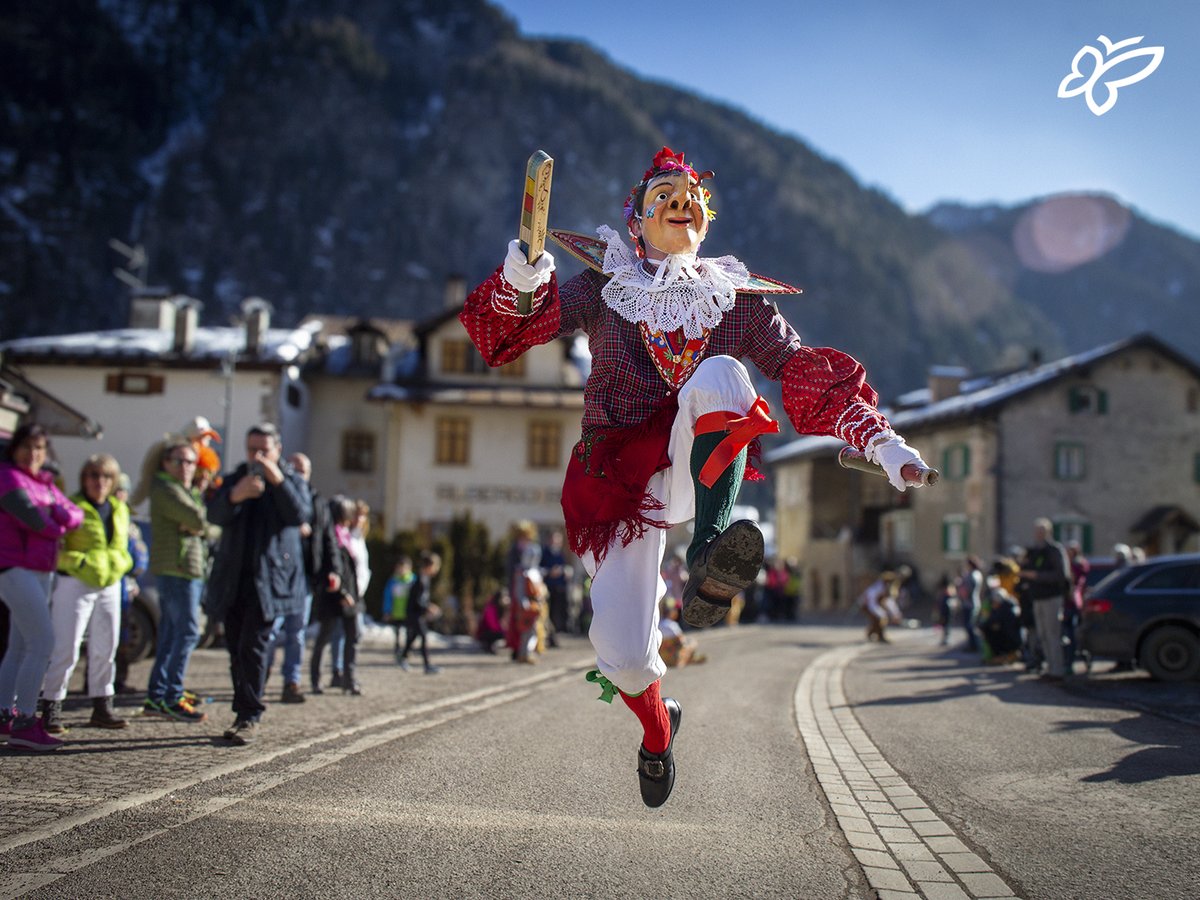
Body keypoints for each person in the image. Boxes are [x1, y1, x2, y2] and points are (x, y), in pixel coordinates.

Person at [461, 146, 931, 807]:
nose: (681, 200)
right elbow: (510, 333)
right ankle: (658, 731)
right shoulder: (603, 285)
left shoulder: (734, 299)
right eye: (663, 195)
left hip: (692, 456)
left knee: (722, 376)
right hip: (620, 479)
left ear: (705, 219)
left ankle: (712, 546)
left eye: (691, 196)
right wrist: (525, 276)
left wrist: (881, 443)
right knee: (624, 657)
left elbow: (799, 372)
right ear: (635, 222)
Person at [206, 423, 311, 745]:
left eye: (265, 450)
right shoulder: (237, 477)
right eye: (253, 449)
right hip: (234, 578)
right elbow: (214, 514)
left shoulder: (290, 480)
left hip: (271, 582)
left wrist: (277, 482)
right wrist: (236, 496)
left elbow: (300, 514)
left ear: (278, 450)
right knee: (236, 648)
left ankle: (249, 715)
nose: (258, 456)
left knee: (255, 645)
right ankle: (244, 710)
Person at [0, 424, 83, 751]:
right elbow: (35, 520)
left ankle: (6, 714)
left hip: (40, 569)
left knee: (19, 646)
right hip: (13, 566)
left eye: (39, 448)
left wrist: (59, 518)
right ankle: (25, 721)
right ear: (15, 448)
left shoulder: (45, 483)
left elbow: (76, 515)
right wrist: (58, 523)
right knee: (43, 641)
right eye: (27, 446)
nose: (32, 454)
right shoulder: (7, 477)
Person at [42, 454, 133, 732]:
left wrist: (122, 564)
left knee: (106, 647)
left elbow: (122, 545)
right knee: (66, 647)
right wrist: (79, 562)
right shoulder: (71, 506)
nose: (99, 482)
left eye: (106, 476)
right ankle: (51, 706)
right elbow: (56, 549)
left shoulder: (118, 508)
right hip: (76, 582)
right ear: (84, 479)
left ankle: (103, 705)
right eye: (93, 475)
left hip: (109, 583)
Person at [140, 436, 211, 723]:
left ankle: (158, 695)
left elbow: (199, 524)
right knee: (187, 632)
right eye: (179, 461)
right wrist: (199, 525)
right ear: (166, 462)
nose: (185, 467)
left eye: (190, 462)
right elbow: (199, 521)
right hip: (177, 569)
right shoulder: (166, 488)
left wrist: (199, 522)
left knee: (171, 634)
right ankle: (171, 695)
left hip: (186, 569)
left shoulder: (183, 489)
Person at [268, 452, 322, 704]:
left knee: (296, 633)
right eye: (293, 467)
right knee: (270, 631)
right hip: (278, 577)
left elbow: (324, 540)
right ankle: (261, 673)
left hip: (303, 580)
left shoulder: (314, 501)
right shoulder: (278, 496)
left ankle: (292, 681)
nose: (297, 472)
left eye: (302, 469)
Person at [310, 496, 364, 696]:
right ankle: (316, 679)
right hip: (333, 596)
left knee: (353, 637)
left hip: (351, 594)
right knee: (324, 638)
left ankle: (349, 678)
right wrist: (342, 593)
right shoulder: (329, 536)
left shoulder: (347, 536)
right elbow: (330, 568)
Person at [1019, 518, 1072, 681]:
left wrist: (1036, 576)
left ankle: (1058, 670)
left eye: (1041, 531)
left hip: (1052, 597)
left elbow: (1061, 575)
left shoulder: (1055, 550)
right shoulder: (1034, 551)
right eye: (1037, 531)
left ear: (1048, 532)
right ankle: (1050, 668)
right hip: (1037, 597)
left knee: (1053, 634)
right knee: (1042, 634)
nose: (1038, 534)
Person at [113, 472, 148, 694]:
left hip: (124, 585)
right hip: (108, 582)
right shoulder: (108, 516)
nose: (120, 494)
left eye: (123, 490)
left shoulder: (129, 522)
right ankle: (94, 683)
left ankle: (119, 679)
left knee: (123, 635)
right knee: (105, 637)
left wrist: (134, 574)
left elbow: (139, 555)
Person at [398, 551, 442, 674]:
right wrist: (428, 607)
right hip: (414, 614)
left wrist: (428, 606)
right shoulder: (419, 580)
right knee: (423, 636)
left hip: (418, 614)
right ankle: (427, 665)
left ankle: (403, 657)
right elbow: (417, 601)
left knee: (413, 637)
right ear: (429, 566)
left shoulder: (425, 579)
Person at [506, 521, 544, 664]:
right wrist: (522, 600)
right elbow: (518, 585)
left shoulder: (533, 570)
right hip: (523, 600)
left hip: (533, 601)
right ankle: (521, 653)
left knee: (531, 629)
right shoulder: (519, 568)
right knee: (523, 627)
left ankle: (527, 652)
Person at [980, 558, 1023, 663]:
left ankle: (1008, 654)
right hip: (1006, 599)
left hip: (1010, 600)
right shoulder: (1002, 575)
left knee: (993, 629)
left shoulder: (1013, 572)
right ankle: (1005, 655)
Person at [1063, 541, 1090, 670]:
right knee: (1067, 635)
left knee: (1074, 636)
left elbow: (1077, 583)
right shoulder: (1067, 564)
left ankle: (1074, 660)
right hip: (1066, 605)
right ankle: (1068, 662)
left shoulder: (1079, 565)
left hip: (1076, 605)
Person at [382, 556, 415, 661]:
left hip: (409, 611)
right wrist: (387, 610)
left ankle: (406, 650)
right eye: (399, 568)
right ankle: (397, 650)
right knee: (397, 632)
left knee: (409, 632)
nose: (401, 570)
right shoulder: (393, 581)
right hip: (396, 611)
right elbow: (387, 597)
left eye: (403, 568)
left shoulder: (412, 581)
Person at [657, 598, 706, 667]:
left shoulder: (657, 625)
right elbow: (681, 642)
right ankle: (688, 659)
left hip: (662, 659)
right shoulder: (672, 625)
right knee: (692, 642)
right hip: (674, 659)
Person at [540, 530, 570, 646]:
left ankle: (555, 636)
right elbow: (539, 569)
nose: (556, 542)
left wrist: (565, 572)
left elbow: (563, 567)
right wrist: (549, 572)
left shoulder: (561, 554)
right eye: (554, 539)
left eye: (558, 540)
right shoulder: (544, 553)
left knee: (558, 614)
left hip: (560, 588)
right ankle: (549, 637)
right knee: (549, 614)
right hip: (548, 588)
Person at [859, 571, 899, 643]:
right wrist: (881, 613)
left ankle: (872, 634)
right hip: (867, 605)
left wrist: (896, 614)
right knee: (879, 619)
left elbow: (890, 602)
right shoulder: (876, 588)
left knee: (878, 620)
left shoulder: (889, 589)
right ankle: (879, 636)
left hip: (875, 605)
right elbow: (872, 603)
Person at [475, 589, 508, 653]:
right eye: (505, 597)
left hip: (491, 631)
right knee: (503, 634)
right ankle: (489, 645)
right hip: (485, 633)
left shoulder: (501, 609)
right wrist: (504, 631)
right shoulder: (491, 608)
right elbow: (492, 625)